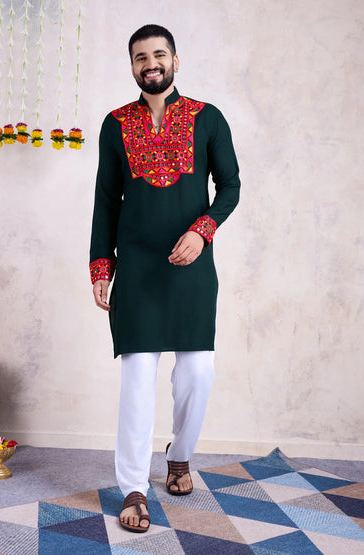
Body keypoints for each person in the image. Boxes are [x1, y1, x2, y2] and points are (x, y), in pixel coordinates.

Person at [90, 24, 240, 533]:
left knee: (198, 373)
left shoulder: (207, 118)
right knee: (137, 377)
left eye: (158, 55)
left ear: (175, 61)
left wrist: (203, 231)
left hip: (191, 266)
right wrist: (102, 265)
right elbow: (106, 200)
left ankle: (179, 456)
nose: (149, 63)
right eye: (140, 57)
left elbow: (231, 186)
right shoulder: (116, 124)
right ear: (132, 66)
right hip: (136, 269)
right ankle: (134, 487)